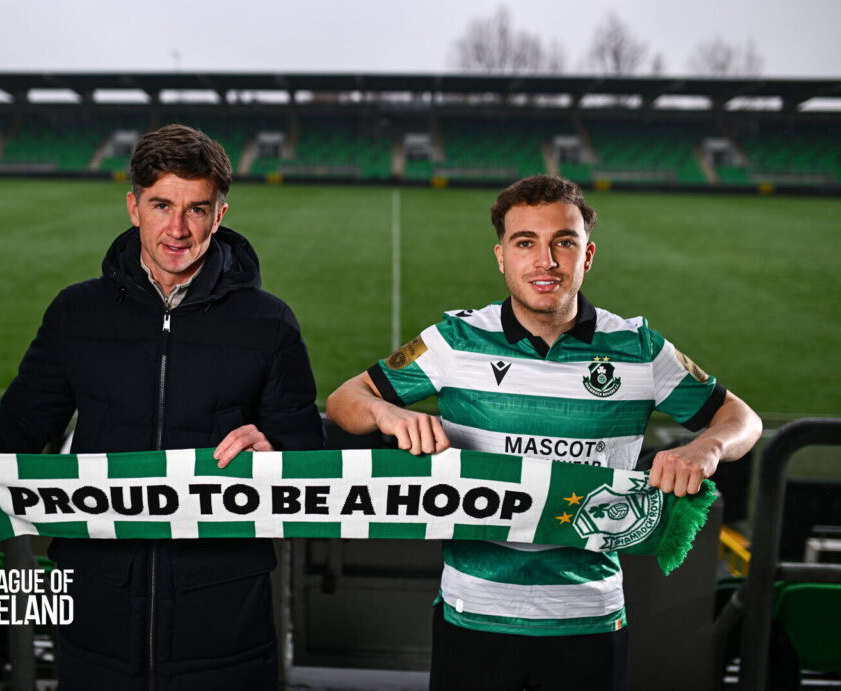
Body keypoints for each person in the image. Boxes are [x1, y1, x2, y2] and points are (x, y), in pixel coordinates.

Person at [0, 124, 323, 690]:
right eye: (161, 205)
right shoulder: (76, 313)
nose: (178, 228)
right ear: (133, 207)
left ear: (219, 215)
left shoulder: (269, 323)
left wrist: (272, 450)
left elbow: (308, 456)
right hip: (96, 605)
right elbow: (25, 422)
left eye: (196, 209)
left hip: (223, 616)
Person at [325, 174, 762, 691]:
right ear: (501, 256)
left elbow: (742, 420)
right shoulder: (454, 340)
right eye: (525, 243)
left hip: (591, 618)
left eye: (564, 242)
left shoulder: (639, 349)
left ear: (588, 255)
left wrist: (705, 447)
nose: (546, 261)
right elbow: (344, 401)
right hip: (473, 613)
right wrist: (387, 414)